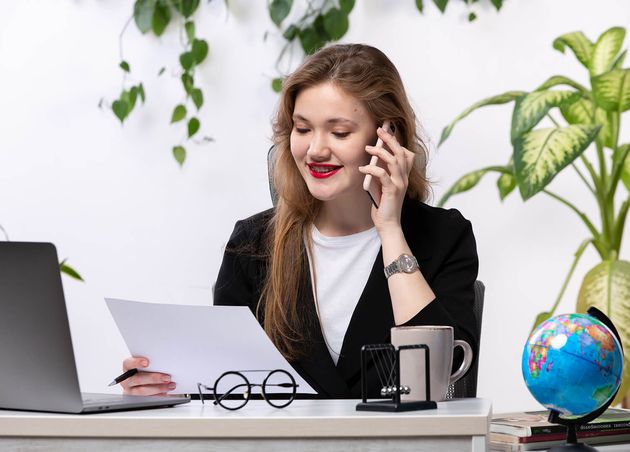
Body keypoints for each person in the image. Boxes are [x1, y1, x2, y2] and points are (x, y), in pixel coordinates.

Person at [121, 43, 479, 398]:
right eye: (303, 129)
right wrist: (170, 388)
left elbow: (445, 375)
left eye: (339, 132)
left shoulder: (443, 236)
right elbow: (228, 386)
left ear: (387, 137)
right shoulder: (253, 242)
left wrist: (390, 230)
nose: (316, 150)